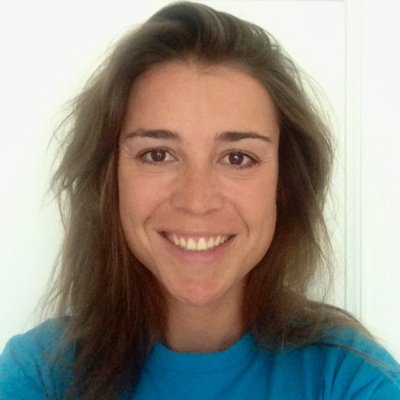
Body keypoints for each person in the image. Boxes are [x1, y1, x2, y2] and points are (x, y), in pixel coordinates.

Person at [0, 1, 399, 399]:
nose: (196, 200)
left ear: (285, 183)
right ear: (110, 178)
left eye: (237, 158)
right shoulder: (42, 374)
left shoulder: (349, 379)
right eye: (158, 155)